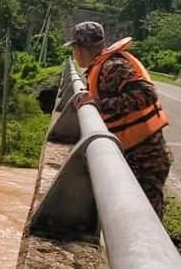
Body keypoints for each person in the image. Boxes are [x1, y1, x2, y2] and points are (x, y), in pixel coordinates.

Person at [66, 21, 172, 218]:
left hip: (145, 157)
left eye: (74, 48)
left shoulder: (113, 67)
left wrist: (98, 104)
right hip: (136, 152)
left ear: (80, 49)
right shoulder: (103, 65)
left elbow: (147, 94)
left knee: (145, 218)